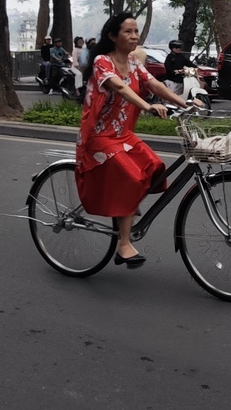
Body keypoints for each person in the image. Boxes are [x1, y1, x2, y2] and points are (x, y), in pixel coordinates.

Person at [76, 13, 190, 267]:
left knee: (154, 167)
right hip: (99, 136)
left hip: (123, 135)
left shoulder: (134, 62)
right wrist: (148, 108)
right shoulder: (102, 61)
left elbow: (155, 85)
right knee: (131, 178)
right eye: (128, 31)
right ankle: (123, 245)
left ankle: (125, 205)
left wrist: (186, 103)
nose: (134, 36)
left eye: (136, 31)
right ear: (113, 36)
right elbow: (119, 87)